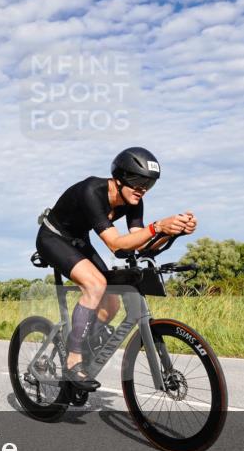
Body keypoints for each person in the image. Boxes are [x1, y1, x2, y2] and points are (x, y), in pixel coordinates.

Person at [35, 147, 197, 392]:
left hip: (79, 240)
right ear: (119, 178)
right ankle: (73, 357)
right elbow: (114, 244)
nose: (143, 189)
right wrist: (157, 226)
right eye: (138, 181)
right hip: (53, 238)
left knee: (111, 302)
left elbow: (134, 245)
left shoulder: (134, 202)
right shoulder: (92, 191)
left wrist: (169, 232)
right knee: (95, 285)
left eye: (149, 184)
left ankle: (85, 343)